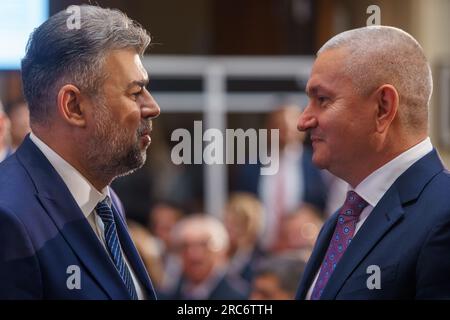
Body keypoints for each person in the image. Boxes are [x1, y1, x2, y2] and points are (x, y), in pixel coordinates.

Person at [0, 5, 160, 299]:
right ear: (73, 107)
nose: (152, 107)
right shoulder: (8, 217)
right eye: (135, 92)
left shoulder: (105, 200)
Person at [295, 26, 450, 299]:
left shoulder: (442, 215)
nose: (303, 120)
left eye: (322, 100)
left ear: (383, 108)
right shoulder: (342, 220)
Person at [160, 214, 248, 300]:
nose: (194, 255)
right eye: (185, 246)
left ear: (221, 250)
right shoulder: (167, 293)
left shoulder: (240, 296)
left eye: (203, 245)